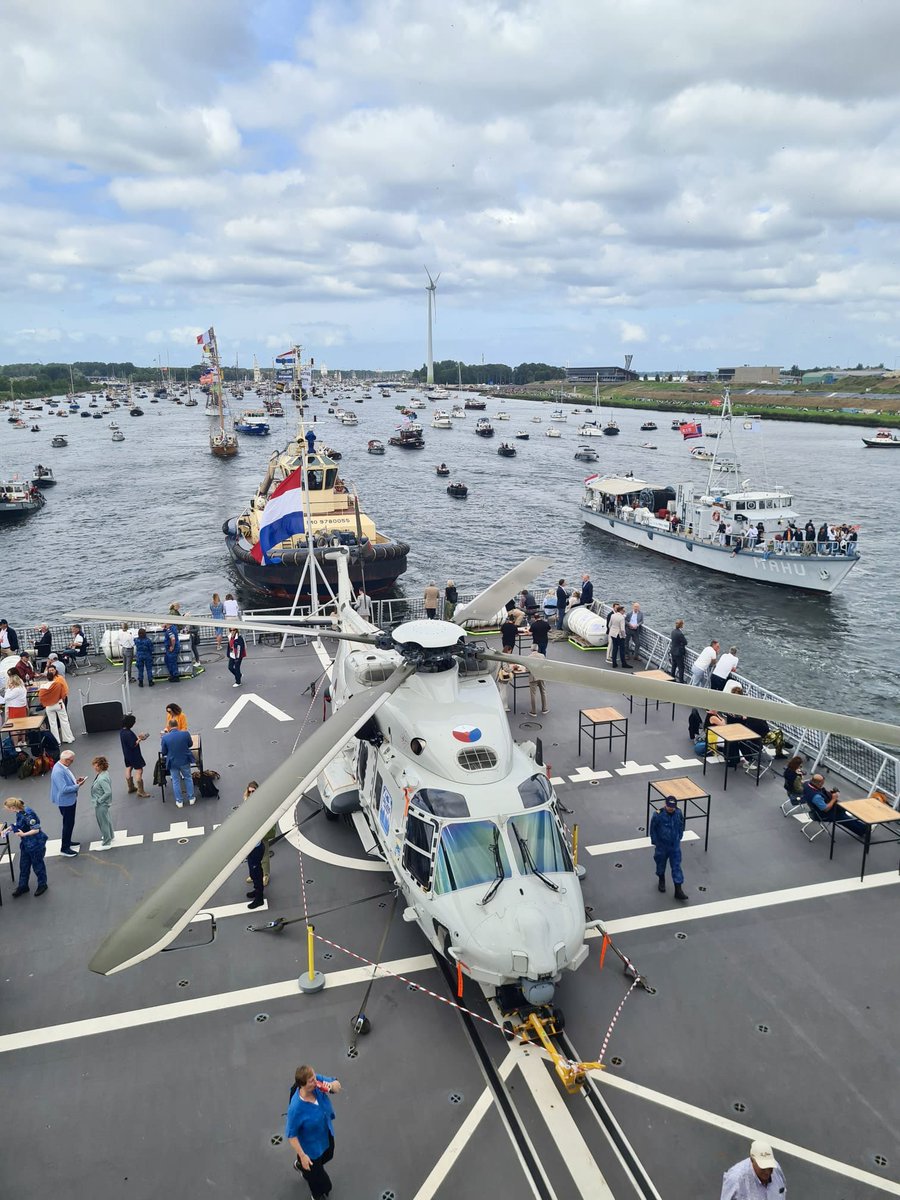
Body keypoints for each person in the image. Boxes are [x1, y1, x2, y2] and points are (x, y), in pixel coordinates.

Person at [285, 1065, 342, 1197]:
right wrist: (303, 1155)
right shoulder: (296, 1109)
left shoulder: (317, 1083)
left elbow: (337, 1085)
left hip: (325, 1135)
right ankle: (316, 1195)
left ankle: (301, 1165)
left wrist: (331, 1086)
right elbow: (291, 1135)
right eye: (311, 1081)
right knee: (321, 1182)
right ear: (302, 1085)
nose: (315, 1081)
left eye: (314, 1077)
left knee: (328, 1155)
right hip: (310, 1149)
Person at [2, 796, 48, 896]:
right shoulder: (20, 812)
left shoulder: (28, 814)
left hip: (35, 843)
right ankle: (23, 886)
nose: (8, 810)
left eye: (8, 809)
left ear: (13, 808)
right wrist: (8, 829)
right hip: (26, 843)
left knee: (38, 865)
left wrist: (23, 834)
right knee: (24, 865)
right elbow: (19, 823)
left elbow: (36, 829)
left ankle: (42, 884)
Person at [649, 795, 688, 902]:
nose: (671, 808)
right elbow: (653, 829)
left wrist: (679, 836)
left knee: (676, 866)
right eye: (669, 806)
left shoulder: (678, 813)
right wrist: (656, 842)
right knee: (660, 863)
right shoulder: (658, 815)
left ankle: (678, 889)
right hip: (662, 845)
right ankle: (661, 878)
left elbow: (681, 824)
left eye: (673, 806)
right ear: (665, 804)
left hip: (674, 845)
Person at [720, 1140, 786, 1199]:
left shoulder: (777, 1169)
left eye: (770, 1167)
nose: (767, 1172)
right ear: (752, 1160)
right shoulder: (735, 1179)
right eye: (763, 1168)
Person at [51, 750, 85, 857]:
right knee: (68, 824)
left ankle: (67, 841)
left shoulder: (61, 767)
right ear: (66, 760)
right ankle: (65, 848)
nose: (72, 762)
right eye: (71, 761)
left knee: (69, 823)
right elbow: (63, 789)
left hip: (68, 800)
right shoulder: (58, 771)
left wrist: (75, 781)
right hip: (66, 802)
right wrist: (77, 786)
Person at [160, 720, 196, 808]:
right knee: (188, 778)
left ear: (169, 726)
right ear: (177, 725)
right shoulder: (185, 734)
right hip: (184, 760)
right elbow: (190, 744)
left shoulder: (165, 738)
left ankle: (179, 801)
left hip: (173, 762)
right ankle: (191, 798)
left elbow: (164, 752)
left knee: (176, 781)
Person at [37, 663, 75, 744]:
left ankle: (56, 741)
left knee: (52, 724)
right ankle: (68, 738)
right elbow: (64, 693)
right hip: (59, 704)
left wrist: (46, 703)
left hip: (49, 706)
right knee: (64, 721)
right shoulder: (58, 683)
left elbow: (40, 697)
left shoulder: (43, 686)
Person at [120, 714, 151, 797]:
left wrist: (137, 738)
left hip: (127, 754)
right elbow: (133, 744)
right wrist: (140, 739)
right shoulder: (129, 733)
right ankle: (140, 791)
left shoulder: (122, 731)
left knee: (128, 768)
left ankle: (131, 787)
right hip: (134, 755)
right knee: (139, 770)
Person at [90, 755, 115, 848]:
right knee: (107, 819)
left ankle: (106, 842)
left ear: (100, 766)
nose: (94, 767)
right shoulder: (104, 774)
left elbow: (108, 792)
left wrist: (99, 800)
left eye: (95, 765)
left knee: (102, 822)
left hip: (101, 803)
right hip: (103, 803)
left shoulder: (102, 778)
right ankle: (110, 835)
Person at [526, 647, 550, 715]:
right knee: (543, 692)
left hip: (533, 677)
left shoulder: (528, 657)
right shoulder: (542, 656)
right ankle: (544, 709)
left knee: (533, 694)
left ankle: (533, 711)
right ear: (537, 649)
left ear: (531, 649)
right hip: (541, 676)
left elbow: (527, 669)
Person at [609, 604, 629, 668]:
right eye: (623, 611)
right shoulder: (621, 618)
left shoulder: (612, 615)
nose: (624, 612)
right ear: (620, 611)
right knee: (622, 649)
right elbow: (622, 629)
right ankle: (624, 663)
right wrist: (624, 636)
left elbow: (610, 625)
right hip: (619, 635)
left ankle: (614, 663)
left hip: (613, 634)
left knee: (615, 648)